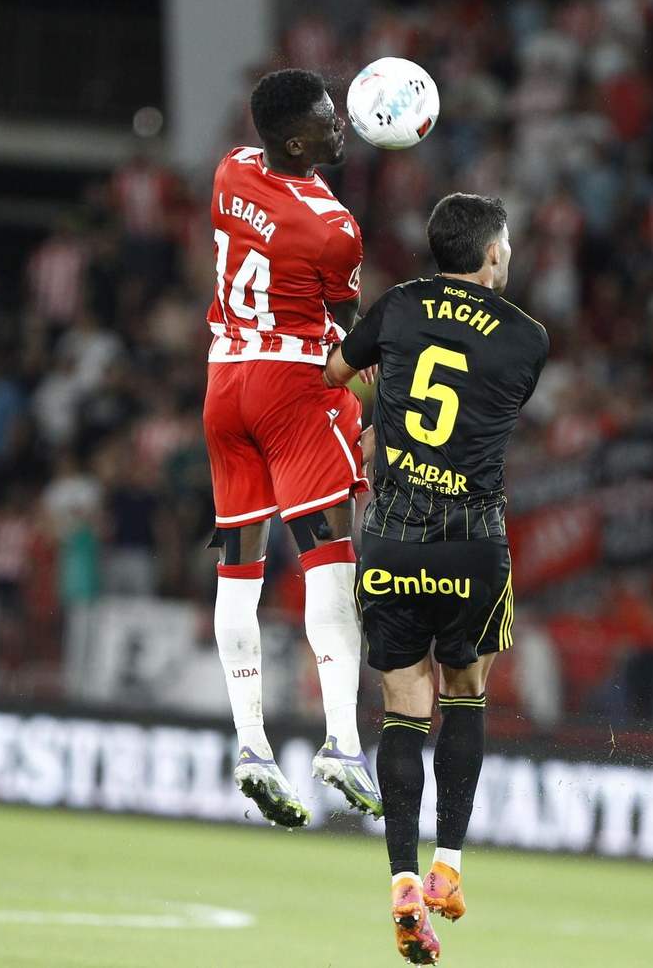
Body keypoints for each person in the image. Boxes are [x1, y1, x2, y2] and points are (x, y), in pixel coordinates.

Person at [324, 193, 549, 965]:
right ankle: (449, 867)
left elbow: (334, 374)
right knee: (466, 693)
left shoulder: (397, 306)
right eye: (508, 245)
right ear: (491, 254)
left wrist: (378, 397)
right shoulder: (527, 338)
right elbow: (490, 408)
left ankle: (400, 881)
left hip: (391, 537)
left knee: (401, 709)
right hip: (470, 542)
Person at [203, 68, 378, 826]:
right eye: (328, 119)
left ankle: (251, 744)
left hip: (223, 382)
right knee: (329, 566)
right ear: (299, 139)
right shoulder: (332, 225)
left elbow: (255, 189)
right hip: (290, 388)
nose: (342, 125)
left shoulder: (230, 170)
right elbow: (348, 324)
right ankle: (341, 740)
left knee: (237, 573)